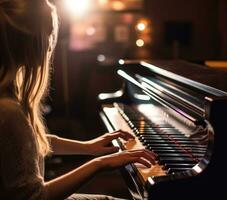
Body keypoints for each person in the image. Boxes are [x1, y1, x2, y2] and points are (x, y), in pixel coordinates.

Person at [0, 0, 157, 199]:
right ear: (34, 41)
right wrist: (99, 164)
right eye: (48, 36)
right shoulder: (8, 111)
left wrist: (88, 147)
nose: (50, 47)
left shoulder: (9, 96)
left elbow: (27, 142)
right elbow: (37, 196)